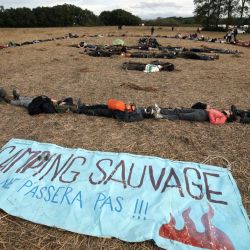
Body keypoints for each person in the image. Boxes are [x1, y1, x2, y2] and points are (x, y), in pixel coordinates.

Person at [151, 103, 236, 125]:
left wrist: (209, 112)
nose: (229, 110)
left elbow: (213, 121)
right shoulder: (221, 113)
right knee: (179, 110)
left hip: (201, 116)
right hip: (201, 111)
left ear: (229, 116)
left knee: (181, 116)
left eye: (230, 111)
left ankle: (161, 116)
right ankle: (160, 110)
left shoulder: (223, 119)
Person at [77, 98, 153, 122]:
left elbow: (126, 119)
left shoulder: (139, 117)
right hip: (117, 108)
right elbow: (133, 109)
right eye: (148, 109)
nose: (146, 109)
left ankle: (80, 110)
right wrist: (132, 105)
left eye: (148, 111)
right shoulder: (141, 110)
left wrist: (126, 110)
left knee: (98, 111)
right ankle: (83, 107)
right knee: (99, 106)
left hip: (115, 114)